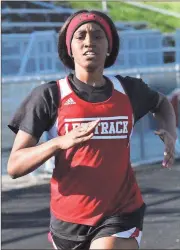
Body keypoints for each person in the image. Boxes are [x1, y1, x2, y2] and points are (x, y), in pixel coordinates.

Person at [7, 10, 177, 250]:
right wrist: (58, 143)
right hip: (68, 222)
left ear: (109, 47)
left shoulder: (128, 90)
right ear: (69, 48)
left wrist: (170, 132)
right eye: (81, 36)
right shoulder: (49, 96)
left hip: (120, 212)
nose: (89, 42)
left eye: (98, 36)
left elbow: (162, 104)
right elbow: (14, 166)